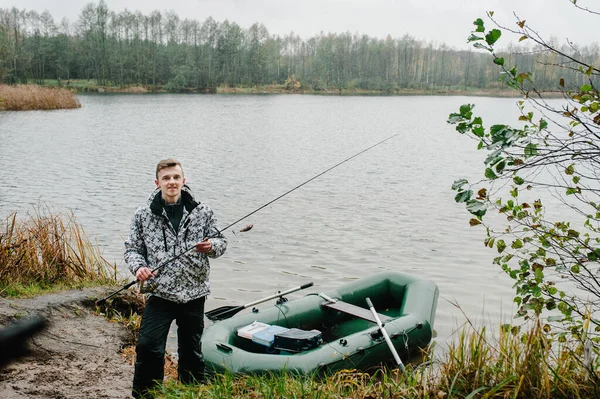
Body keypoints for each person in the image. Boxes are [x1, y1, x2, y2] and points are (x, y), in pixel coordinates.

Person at [124, 159, 227, 398]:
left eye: (176, 177)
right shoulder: (143, 215)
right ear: (157, 182)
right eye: (166, 178)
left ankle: (190, 392)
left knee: (191, 350)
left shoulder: (202, 211)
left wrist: (211, 246)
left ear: (183, 180)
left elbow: (222, 243)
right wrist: (139, 268)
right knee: (148, 346)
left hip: (194, 292)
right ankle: (146, 394)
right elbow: (132, 250)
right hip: (160, 292)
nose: (171, 182)